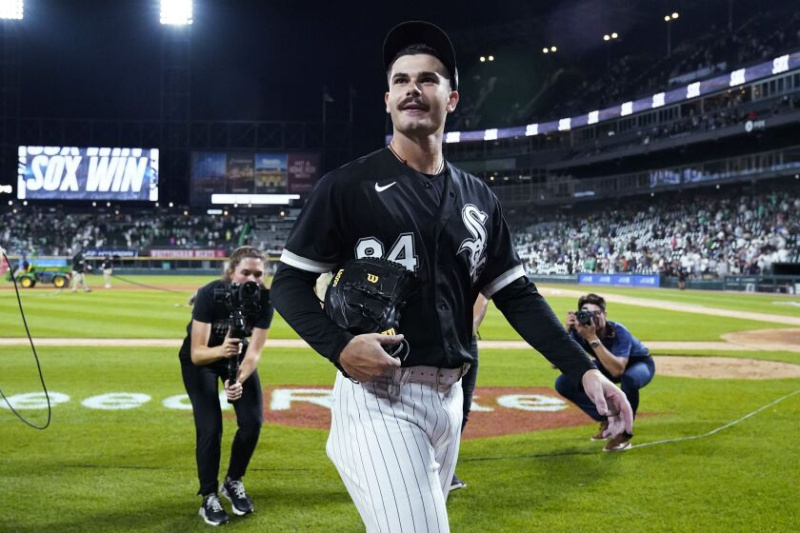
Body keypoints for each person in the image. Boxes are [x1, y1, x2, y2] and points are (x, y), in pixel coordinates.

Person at [270, 21, 633, 532]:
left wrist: (586, 370)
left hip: (451, 399)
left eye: (428, 79)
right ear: (388, 99)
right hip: (381, 398)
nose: (412, 88)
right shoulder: (345, 187)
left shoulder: (479, 197)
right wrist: (337, 347)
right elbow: (287, 282)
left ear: (452, 97)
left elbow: (518, 296)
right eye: (401, 81)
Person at [178, 246, 274, 526]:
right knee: (210, 427)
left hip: (237, 356)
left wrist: (237, 381)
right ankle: (208, 495)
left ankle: (232, 481)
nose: (252, 279)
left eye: (258, 274)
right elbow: (197, 353)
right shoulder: (210, 293)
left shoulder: (266, 300)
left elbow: (254, 353)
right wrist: (222, 351)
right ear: (232, 272)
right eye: (246, 272)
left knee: (252, 421)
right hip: (202, 360)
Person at [556, 293, 655, 452]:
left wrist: (592, 338)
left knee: (629, 379)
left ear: (605, 315)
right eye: (586, 314)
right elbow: (556, 363)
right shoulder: (580, 330)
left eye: (595, 314)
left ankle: (624, 433)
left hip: (638, 364)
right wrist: (567, 332)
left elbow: (617, 371)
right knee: (564, 382)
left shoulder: (618, 331)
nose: (591, 319)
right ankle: (608, 418)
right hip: (607, 363)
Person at [450, 293, 489, 492]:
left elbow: (483, 295)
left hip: (466, 339)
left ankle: (446, 467)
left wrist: (469, 329)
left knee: (463, 406)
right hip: (433, 335)